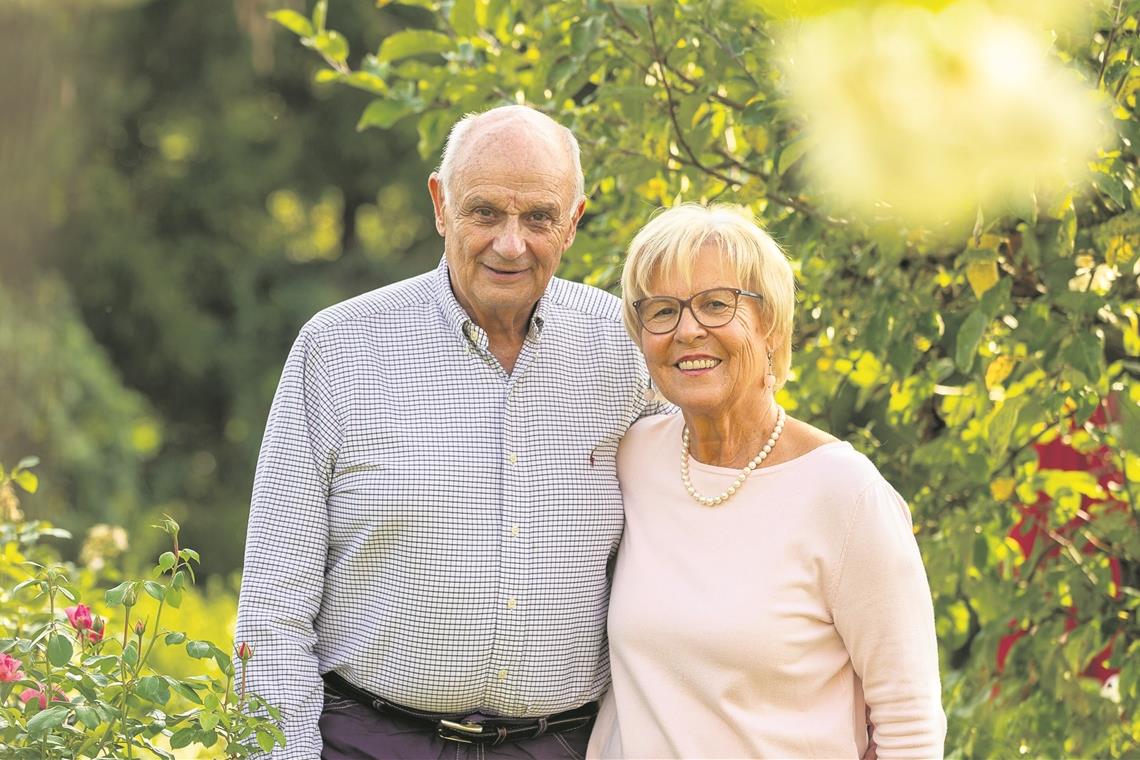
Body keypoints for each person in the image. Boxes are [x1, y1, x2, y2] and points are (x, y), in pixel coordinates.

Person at [234, 105, 659, 758]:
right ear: (441, 205)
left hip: (563, 746)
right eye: (485, 212)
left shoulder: (630, 352)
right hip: (368, 742)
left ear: (574, 220)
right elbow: (273, 610)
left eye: (539, 217)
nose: (510, 243)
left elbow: (708, 534)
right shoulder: (337, 348)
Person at [587, 203, 946, 759]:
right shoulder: (633, 458)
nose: (688, 331)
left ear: (770, 323)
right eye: (662, 311)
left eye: (715, 304)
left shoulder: (845, 494)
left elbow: (910, 724)